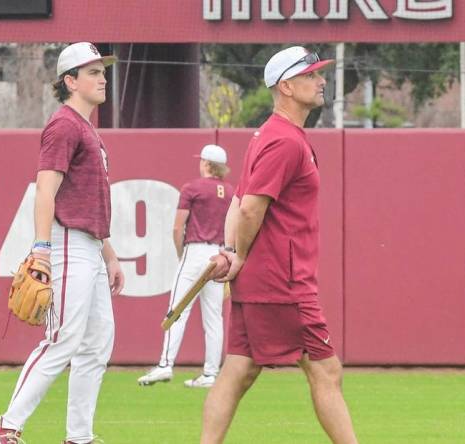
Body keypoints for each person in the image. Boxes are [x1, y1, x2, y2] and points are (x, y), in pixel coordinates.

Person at [201, 46, 358, 444]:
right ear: (286, 86)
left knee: (239, 368)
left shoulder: (268, 135)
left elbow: (239, 201)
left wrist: (233, 253)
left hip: (266, 279)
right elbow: (250, 208)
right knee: (326, 370)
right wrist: (238, 254)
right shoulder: (284, 142)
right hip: (283, 282)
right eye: (311, 76)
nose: (321, 81)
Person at [0, 42, 124, 444]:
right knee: (61, 341)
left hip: (90, 246)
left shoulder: (86, 128)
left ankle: (79, 437)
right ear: (70, 80)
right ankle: (5, 430)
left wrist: (109, 255)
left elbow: (90, 202)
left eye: (103, 70)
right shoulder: (64, 124)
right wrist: (42, 248)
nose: (103, 78)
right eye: (93, 72)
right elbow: (45, 190)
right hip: (66, 243)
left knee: (96, 346)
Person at [137, 144, 234, 389]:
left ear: (207, 164)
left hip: (195, 251)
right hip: (220, 254)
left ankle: (165, 365)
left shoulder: (193, 188)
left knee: (177, 309)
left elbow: (177, 227)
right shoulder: (232, 192)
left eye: (202, 160)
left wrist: (182, 254)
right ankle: (211, 373)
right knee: (214, 317)